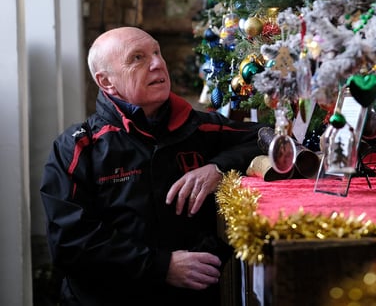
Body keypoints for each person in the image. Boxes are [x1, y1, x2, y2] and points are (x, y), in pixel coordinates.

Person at [40, 26, 268, 306]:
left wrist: (217, 168)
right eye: (137, 58)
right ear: (106, 82)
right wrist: (162, 266)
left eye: (157, 53)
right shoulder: (77, 148)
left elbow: (266, 138)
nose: (158, 63)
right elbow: (69, 244)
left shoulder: (199, 127)